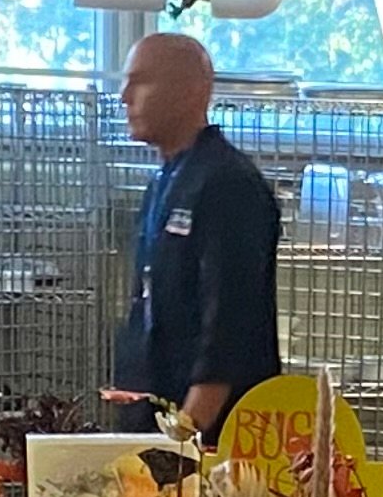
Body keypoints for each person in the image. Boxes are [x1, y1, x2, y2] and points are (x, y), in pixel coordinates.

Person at [111, 32, 278, 442]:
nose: (124, 97)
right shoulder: (164, 181)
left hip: (208, 434)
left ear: (191, 91)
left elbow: (231, 321)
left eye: (140, 82)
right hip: (152, 416)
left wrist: (187, 431)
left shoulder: (228, 184)